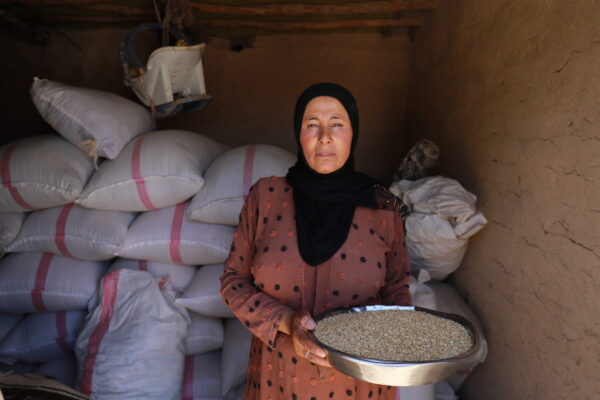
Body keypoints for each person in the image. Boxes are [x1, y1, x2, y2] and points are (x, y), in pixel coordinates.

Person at [221, 82, 412, 400]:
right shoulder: (266, 197)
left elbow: (398, 295)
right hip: (278, 380)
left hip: (359, 386)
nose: (325, 137)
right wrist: (285, 322)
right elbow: (233, 282)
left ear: (354, 133)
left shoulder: (383, 208)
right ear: (299, 133)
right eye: (313, 125)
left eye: (337, 124)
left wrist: (379, 340)